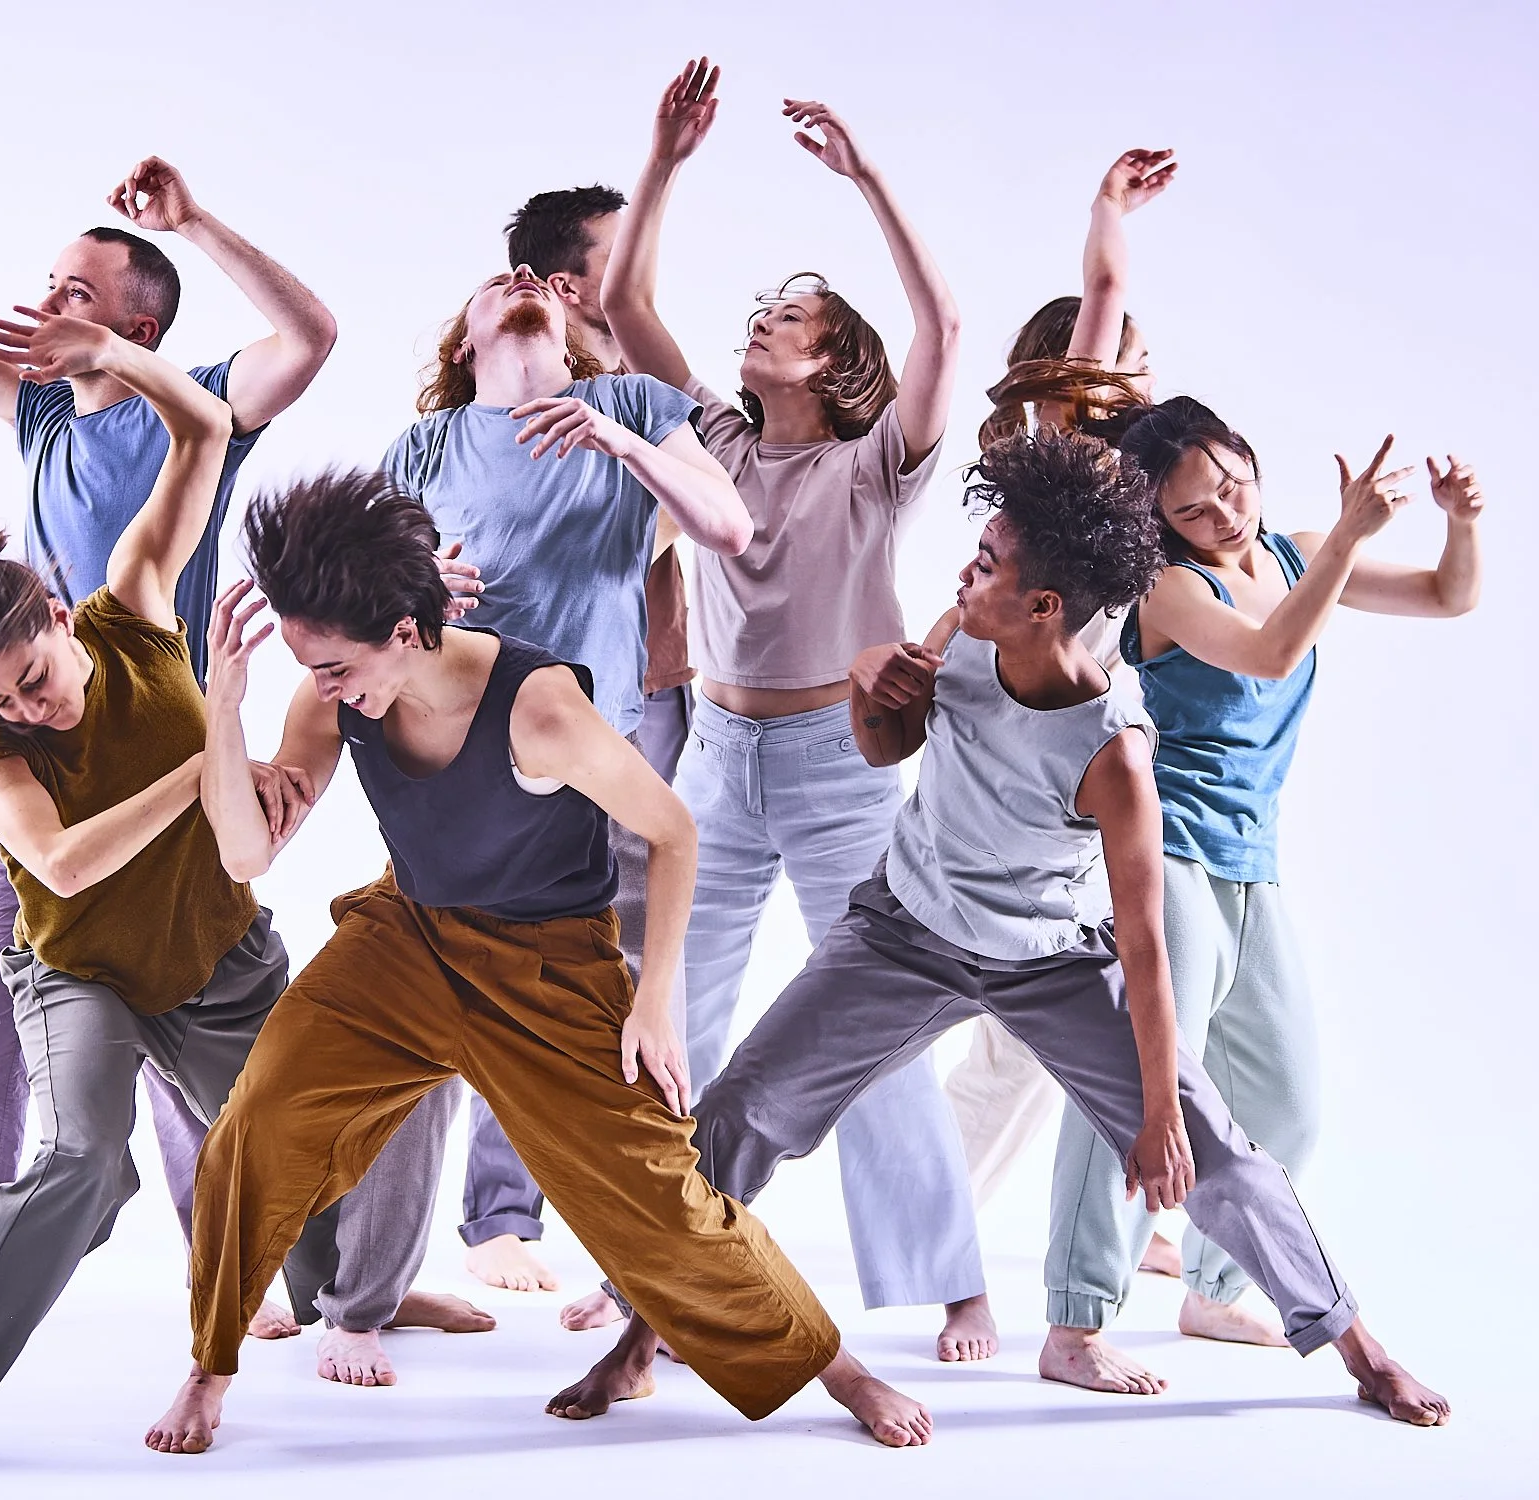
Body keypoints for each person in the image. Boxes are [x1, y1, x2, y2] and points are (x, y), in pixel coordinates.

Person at [561, 430, 1451, 1429]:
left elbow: (1144, 939)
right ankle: (636, 1342)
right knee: (733, 1118)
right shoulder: (963, 629)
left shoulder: (1111, 748)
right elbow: (885, 743)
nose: (962, 572)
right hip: (903, 932)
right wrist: (873, 693)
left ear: (1041, 605)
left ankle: (1358, 1350)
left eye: (985, 565)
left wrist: (1157, 1113)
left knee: (1218, 1152)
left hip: (1048, 962)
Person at [0, 159, 415, 1342]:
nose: (43, 298)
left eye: (76, 287)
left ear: (136, 321)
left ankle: (248, 1267)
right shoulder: (40, 411)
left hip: (160, 733)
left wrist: (194, 221)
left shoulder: (196, 398)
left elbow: (308, 337)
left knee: (194, 1026)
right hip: (39, 770)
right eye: (48, 280)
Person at [145, 472, 932, 1453]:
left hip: (548, 969)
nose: (326, 686)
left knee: (658, 1202)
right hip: (407, 939)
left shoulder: (539, 707)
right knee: (256, 1123)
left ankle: (838, 1369)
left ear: (403, 629)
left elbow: (673, 831)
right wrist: (224, 706)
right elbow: (244, 855)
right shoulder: (337, 691)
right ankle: (209, 1369)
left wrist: (654, 1004)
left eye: (337, 665)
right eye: (313, 667)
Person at [0, 316, 467, 1486]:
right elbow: (67, 865)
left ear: (54, 615)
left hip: (217, 962)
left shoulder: (130, 606)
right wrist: (208, 758)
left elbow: (204, 426)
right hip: (80, 972)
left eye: (29, 677)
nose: (21, 706)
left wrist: (105, 357)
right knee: (86, 1157)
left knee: (312, 1125)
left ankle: (357, 1291)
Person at [591, 58, 991, 1359]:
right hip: (713, 753)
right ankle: (652, 1259)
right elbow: (619, 301)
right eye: (764, 305)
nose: (761, 318)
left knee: (864, 1023)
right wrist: (661, 160)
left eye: (791, 313)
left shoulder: (873, 465)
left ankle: (949, 1279)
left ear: (833, 362)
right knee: (669, 1011)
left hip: (834, 763)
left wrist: (867, 177)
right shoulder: (709, 434)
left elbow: (942, 325)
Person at [1042, 397, 1483, 1391]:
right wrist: (1346, 543)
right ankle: (1072, 1323)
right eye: (1194, 510)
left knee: (1284, 1101)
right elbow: (1269, 650)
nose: (1224, 516)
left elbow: (1446, 598)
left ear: (1246, 457)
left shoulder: (1290, 551)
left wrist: (1459, 521)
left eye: (1229, 486)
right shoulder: (1160, 587)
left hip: (1252, 860)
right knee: (1137, 1091)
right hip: (1165, 857)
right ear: (1159, 521)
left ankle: (1208, 1283)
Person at [380, 264, 751, 1289]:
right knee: (446, 981)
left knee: (600, 991)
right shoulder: (423, 446)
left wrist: (618, 443)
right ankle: (437, 1244)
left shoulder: (628, 403)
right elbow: (370, 614)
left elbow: (729, 530)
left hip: (597, 746)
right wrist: (420, 584)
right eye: (493, 283)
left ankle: (595, 1235)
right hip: (458, 749)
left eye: (534, 279)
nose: (519, 282)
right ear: (464, 341)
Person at [450, 182, 703, 1301]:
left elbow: (714, 520)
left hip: (651, 697)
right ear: (561, 280)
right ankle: (500, 1215)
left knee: (634, 968)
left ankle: (636, 1220)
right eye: (606, 262)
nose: (627, 280)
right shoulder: (485, 415)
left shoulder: (636, 398)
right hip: (514, 714)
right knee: (505, 954)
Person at [945, 148, 1180, 1263]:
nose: (1134, 383)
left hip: (1061, 753)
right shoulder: (1059, 457)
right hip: (1034, 752)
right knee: (1023, 1030)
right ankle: (931, 1217)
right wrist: (1107, 217)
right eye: (1118, 362)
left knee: (1053, 1032)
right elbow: (1094, 317)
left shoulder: (1100, 485)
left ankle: (1138, 1216)